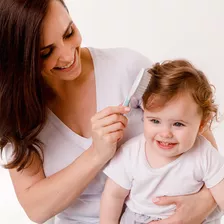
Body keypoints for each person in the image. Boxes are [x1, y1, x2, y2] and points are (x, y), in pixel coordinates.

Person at [0, 0, 219, 223]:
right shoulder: (17, 111)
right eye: (46, 52)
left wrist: (202, 204)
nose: (67, 56)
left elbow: (201, 139)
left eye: (69, 33)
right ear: (18, 60)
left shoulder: (127, 68)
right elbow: (36, 210)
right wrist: (96, 154)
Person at [100, 60, 224, 224]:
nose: (165, 133)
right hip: (139, 218)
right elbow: (113, 196)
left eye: (178, 124)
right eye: (155, 121)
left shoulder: (204, 154)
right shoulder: (131, 153)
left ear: (201, 125)